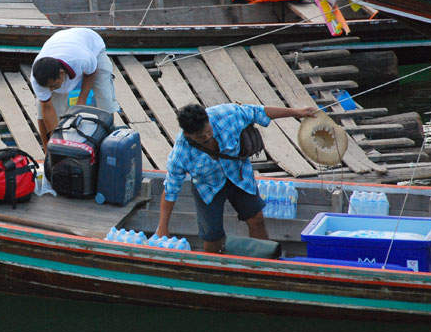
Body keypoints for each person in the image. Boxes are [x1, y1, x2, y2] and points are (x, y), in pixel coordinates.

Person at [155, 102, 317, 253]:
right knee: (212, 237)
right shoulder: (180, 153)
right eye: (200, 137)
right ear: (187, 134)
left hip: (238, 175)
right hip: (208, 187)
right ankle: (214, 272)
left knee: (257, 219)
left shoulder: (229, 114)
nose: (207, 137)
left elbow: (259, 112)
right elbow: (170, 190)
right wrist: (163, 227)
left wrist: (296, 112)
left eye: (208, 131)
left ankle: (261, 263)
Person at [30, 28, 119, 153]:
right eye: (47, 87)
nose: (51, 90)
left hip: (92, 46)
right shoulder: (37, 78)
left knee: (105, 99)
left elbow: (92, 72)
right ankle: (49, 154)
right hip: (61, 43)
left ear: (62, 74)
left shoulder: (82, 60)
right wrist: (56, 143)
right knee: (41, 109)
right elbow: (47, 108)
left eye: (54, 86)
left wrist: (81, 100)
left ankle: (107, 148)